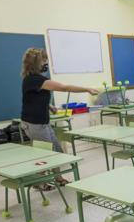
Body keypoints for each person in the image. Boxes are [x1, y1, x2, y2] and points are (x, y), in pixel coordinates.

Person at [21, 47, 99, 186]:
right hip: (35, 125)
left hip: (41, 123)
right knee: (47, 154)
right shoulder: (35, 80)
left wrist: (49, 106)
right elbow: (64, 87)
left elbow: (34, 98)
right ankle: (40, 182)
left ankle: (57, 178)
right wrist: (86, 88)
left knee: (57, 151)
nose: (46, 63)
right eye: (43, 60)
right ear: (35, 64)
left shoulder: (34, 80)